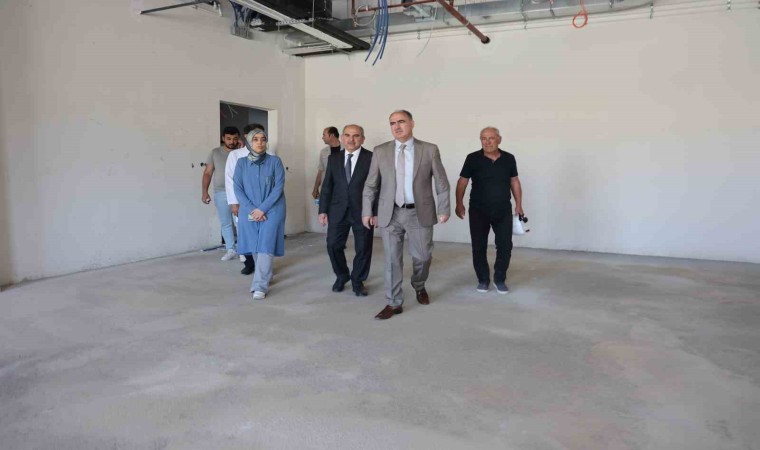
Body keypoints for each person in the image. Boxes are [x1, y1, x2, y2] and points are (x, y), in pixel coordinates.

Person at [362, 110, 450, 320]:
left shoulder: (429, 149)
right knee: (392, 260)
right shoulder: (380, 151)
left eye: (401, 121)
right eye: (392, 123)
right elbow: (371, 184)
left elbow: (441, 181)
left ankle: (419, 284)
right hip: (390, 213)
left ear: (412, 123)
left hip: (418, 213)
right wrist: (367, 211)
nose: (397, 126)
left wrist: (444, 208)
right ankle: (394, 302)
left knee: (423, 256)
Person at [455, 127, 524, 294]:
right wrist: (459, 203)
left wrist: (519, 204)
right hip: (478, 210)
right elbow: (462, 182)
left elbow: (514, 181)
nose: (487, 142)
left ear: (499, 139)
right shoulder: (472, 158)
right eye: (483, 138)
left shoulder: (508, 158)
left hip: (503, 210)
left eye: (491, 138)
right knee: (479, 246)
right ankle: (483, 279)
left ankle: (500, 279)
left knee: (505, 246)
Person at [318, 125, 376, 297]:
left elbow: (378, 186)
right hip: (338, 210)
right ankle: (342, 275)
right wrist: (323, 210)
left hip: (363, 211)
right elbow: (327, 186)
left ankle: (358, 280)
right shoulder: (334, 158)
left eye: (356, 136)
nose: (351, 139)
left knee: (363, 248)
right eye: (348, 135)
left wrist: (375, 212)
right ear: (342, 138)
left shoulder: (372, 158)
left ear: (363, 139)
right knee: (333, 245)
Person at [233, 130, 286, 301]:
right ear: (249, 142)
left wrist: (262, 209)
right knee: (254, 245)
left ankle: (260, 285)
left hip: (273, 209)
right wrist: (252, 209)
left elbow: (278, 187)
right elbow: (237, 188)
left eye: (263, 139)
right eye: (255, 139)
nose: (260, 142)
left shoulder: (275, 161)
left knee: (265, 244)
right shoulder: (241, 163)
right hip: (249, 210)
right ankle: (265, 274)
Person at [226, 123, 266, 275]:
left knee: (263, 234)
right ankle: (249, 263)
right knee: (245, 233)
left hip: (263, 202)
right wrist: (234, 203)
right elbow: (230, 180)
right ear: (246, 136)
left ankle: (264, 265)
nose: (259, 140)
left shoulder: (269, 154)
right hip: (243, 202)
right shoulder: (236, 155)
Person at [202, 126, 240, 261]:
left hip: (239, 193)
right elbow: (207, 173)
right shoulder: (215, 153)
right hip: (221, 192)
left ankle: (244, 250)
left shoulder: (242, 153)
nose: (232, 141)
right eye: (228, 138)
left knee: (240, 222)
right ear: (223, 138)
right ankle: (231, 249)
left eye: (235, 139)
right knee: (226, 222)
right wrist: (204, 192)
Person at [311, 126, 341, 200]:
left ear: (332, 135)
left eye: (324, 135)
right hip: (327, 189)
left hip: (342, 190)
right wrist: (315, 188)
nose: (322, 137)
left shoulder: (347, 150)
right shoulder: (324, 152)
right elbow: (321, 171)